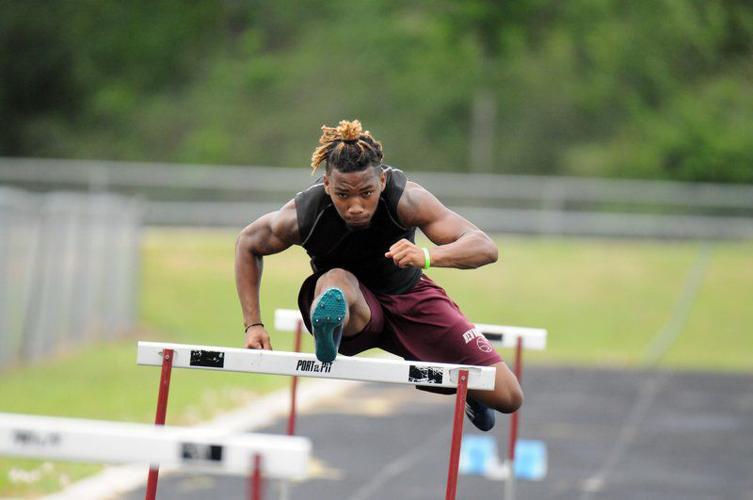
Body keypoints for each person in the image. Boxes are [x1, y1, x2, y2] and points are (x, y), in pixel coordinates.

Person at [235, 119, 523, 431]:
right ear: (328, 185)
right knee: (335, 280)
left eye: (366, 193)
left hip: (409, 297)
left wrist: (426, 256)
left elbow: (484, 247)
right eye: (343, 195)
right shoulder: (303, 214)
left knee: (509, 397)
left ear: (382, 182)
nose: (355, 206)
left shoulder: (407, 200)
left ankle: (471, 394)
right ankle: (328, 328)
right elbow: (248, 244)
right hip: (355, 310)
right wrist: (254, 325)